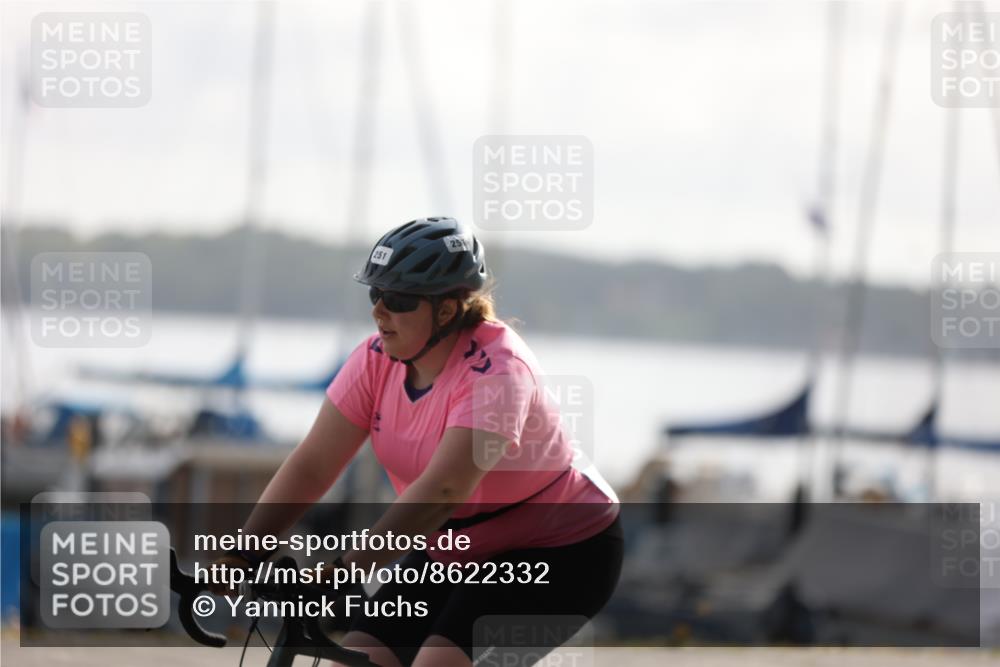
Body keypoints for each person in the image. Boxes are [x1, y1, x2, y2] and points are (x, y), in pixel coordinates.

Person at [215, 217, 623, 667]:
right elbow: (313, 464)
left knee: (438, 662)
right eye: (375, 294)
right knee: (361, 657)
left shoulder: (498, 372)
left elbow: (443, 492)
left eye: (398, 299)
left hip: (560, 550)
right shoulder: (375, 359)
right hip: (453, 549)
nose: (378, 311)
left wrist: (345, 570)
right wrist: (243, 551)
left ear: (446, 310)